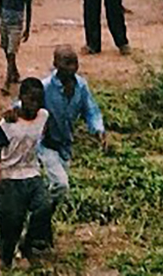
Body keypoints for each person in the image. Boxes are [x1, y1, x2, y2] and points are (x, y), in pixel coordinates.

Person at [0, 77, 51, 270]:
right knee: (11, 219)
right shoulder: (8, 124)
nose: (34, 105)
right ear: (21, 98)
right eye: (31, 100)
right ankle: (5, 257)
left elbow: (43, 132)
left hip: (32, 173)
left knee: (44, 206)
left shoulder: (43, 117)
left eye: (38, 100)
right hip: (10, 176)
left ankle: (28, 244)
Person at [35, 46, 105, 218]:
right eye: (66, 63)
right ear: (56, 64)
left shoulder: (81, 86)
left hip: (65, 145)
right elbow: (25, 105)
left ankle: (42, 218)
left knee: (57, 187)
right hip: (46, 144)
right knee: (61, 184)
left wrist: (98, 129)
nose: (71, 68)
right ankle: (40, 215)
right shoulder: (45, 87)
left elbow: (91, 109)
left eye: (74, 63)